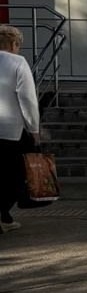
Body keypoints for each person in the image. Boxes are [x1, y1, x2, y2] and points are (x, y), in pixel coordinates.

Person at [0, 24, 40, 233]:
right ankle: (4, 215)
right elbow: (27, 98)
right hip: (9, 130)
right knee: (14, 175)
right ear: (13, 43)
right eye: (18, 45)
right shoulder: (18, 62)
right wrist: (34, 128)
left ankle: (4, 218)